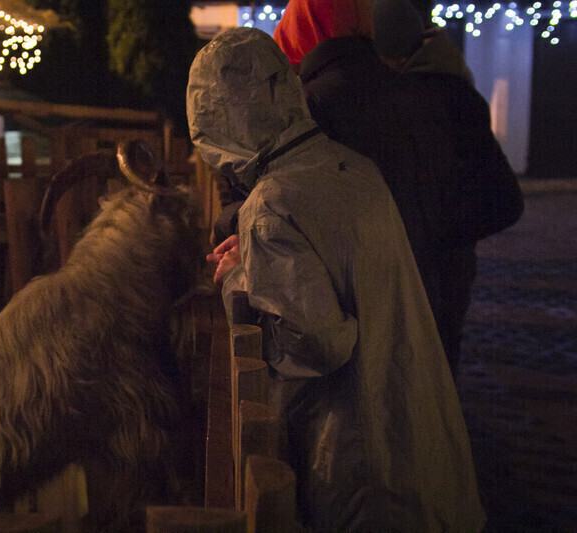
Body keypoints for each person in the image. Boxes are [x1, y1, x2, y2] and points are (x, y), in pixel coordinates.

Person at [188, 26, 484, 531]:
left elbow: (319, 344)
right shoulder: (352, 167)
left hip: (360, 461)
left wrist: (242, 278)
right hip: (417, 432)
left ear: (219, 120)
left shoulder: (271, 205)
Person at [273, 0, 524, 376]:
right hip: (436, 267)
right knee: (433, 373)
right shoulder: (430, 92)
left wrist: (438, 224)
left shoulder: (434, 99)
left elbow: (501, 198)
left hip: (421, 267)